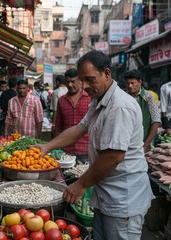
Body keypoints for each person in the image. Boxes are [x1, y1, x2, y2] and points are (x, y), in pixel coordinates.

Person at [32, 50, 153, 239]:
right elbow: (79, 128)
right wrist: (48, 146)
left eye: (90, 79)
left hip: (123, 198)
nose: (85, 86)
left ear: (107, 73)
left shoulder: (119, 106)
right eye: (82, 80)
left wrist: (81, 184)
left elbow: (114, 156)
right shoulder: (98, 101)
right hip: (107, 193)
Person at [54, 68, 91, 162]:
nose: (70, 85)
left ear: (80, 81)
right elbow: (58, 127)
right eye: (67, 82)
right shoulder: (62, 101)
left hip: (86, 150)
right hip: (66, 151)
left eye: (73, 82)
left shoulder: (90, 98)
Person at [124, 70, 161, 151]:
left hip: (144, 142)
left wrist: (146, 144)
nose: (130, 86)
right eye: (127, 83)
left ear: (140, 82)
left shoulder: (148, 97)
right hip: (126, 142)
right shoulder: (123, 97)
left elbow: (156, 121)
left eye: (133, 83)